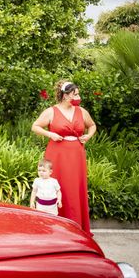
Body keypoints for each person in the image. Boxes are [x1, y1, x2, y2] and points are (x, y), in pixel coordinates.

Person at [32, 80, 96, 232]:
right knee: (57, 186)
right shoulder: (51, 111)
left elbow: (92, 125)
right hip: (57, 154)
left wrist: (88, 136)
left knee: (74, 188)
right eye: (76, 94)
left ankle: (76, 228)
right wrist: (50, 134)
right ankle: (54, 227)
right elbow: (35, 126)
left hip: (76, 155)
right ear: (66, 95)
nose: (78, 96)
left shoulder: (82, 111)